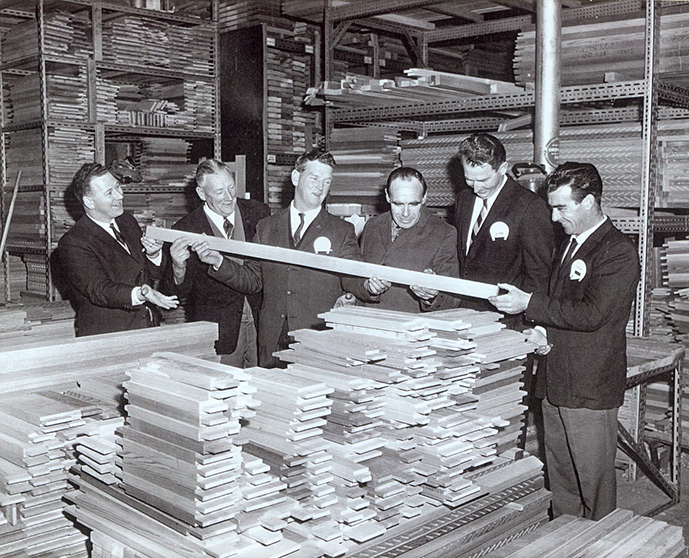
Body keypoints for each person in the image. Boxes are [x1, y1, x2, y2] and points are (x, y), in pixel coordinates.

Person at [489, 162, 640, 520]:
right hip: (556, 383)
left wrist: (530, 304)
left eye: (561, 208)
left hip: (588, 388)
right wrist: (541, 331)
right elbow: (563, 305)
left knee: (594, 485)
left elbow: (593, 314)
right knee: (562, 482)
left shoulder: (617, 251)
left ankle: (599, 543)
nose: (554, 218)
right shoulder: (569, 244)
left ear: (588, 202)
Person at [191, 148, 373, 368]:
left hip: (316, 340)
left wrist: (369, 286)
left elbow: (354, 277)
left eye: (327, 181)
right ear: (296, 177)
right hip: (272, 342)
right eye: (314, 178)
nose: (320, 187)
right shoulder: (267, 226)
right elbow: (253, 279)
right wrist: (218, 261)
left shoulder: (341, 230)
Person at [164, 159, 270, 367]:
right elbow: (177, 292)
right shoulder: (185, 228)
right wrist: (178, 266)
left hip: (262, 325)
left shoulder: (259, 213)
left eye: (231, 187)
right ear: (202, 194)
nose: (230, 197)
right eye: (220, 191)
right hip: (220, 334)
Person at [58, 162, 178, 337]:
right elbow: (99, 290)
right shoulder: (74, 242)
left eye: (118, 187)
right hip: (109, 337)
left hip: (147, 328)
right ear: (89, 202)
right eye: (109, 193)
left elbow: (150, 273)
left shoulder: (127, 222)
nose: (120, 195)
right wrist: (142, 294)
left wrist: (154, 254)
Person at [454, 132, 554, 315]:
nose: (476, 188)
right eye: (469, 179)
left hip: (506, 319)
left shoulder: (529, 207)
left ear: (503, 168)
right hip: (466, 312)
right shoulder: (463, 199)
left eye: (484, 180)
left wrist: (532, 319)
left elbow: (539, 276)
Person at [360, 166, 459, 312]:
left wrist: (431, 296)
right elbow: (358, 275)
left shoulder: (444, 232)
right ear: (388, 196)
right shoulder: (372, 226)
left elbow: (453, 298)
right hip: (368, 322)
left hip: (410, 328)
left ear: (424, 197)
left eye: (413, 204)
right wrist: (367, 288)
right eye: (398, 204)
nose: (405, 213)